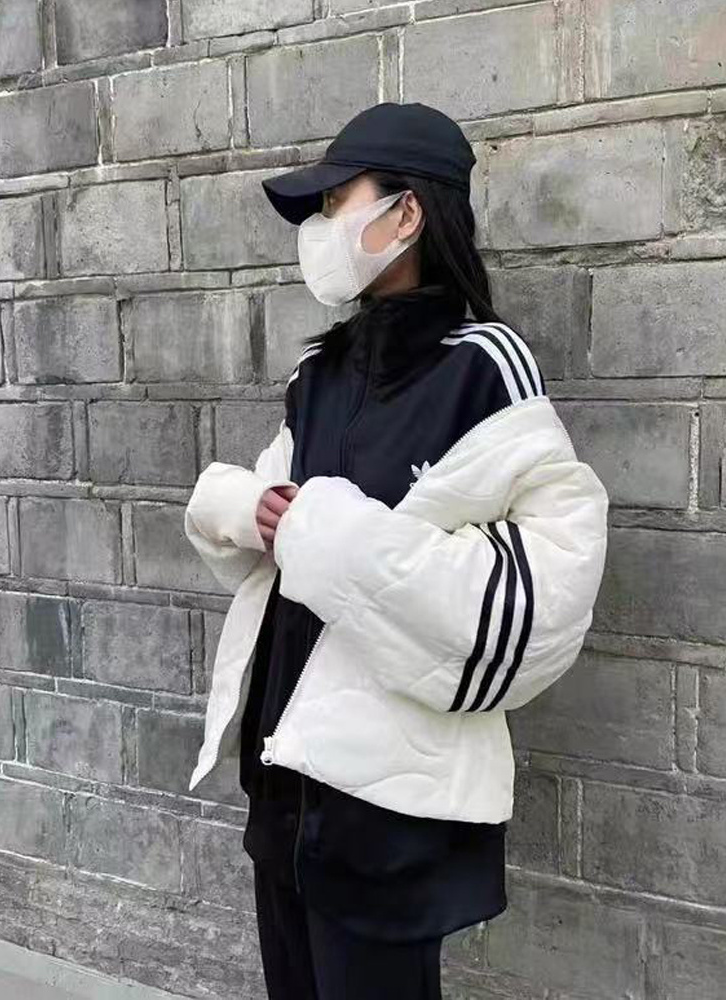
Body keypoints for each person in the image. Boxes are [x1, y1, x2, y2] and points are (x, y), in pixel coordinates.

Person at [184, 102, 609, 1000]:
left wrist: (324, 534)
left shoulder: (483, 367)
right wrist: (247, 509)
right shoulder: (318, 374)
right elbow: (266, 515)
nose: (319, 228)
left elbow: (541, 599)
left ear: (406, 212)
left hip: (387, 812)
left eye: (335, 201)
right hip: (281, 780)